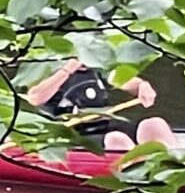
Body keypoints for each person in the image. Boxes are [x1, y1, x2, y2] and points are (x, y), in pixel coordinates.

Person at [24, 60, 176, 149]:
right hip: (72, 134)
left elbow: (125, 80)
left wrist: (142, 86)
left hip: (102, 125)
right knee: (116, 139)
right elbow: (36, 98)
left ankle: (174, 167)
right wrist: (67, 69)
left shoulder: (97, 68)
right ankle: (133, 173)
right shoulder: (49, 67)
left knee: (155, 124)